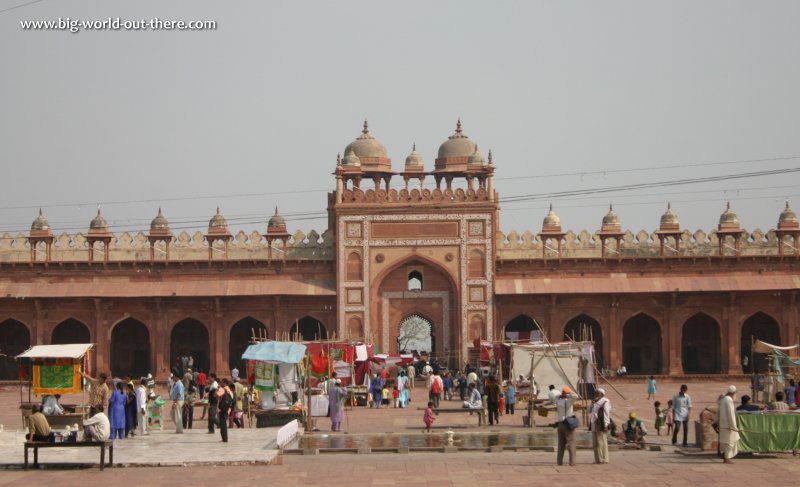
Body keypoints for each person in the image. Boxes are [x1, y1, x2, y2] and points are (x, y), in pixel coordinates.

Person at [556, 387, 579, 466]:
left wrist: (563, 394)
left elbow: (556, 397)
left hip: (560, 424)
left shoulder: (558, 401)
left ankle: (559, 461)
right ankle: (572, 462)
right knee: (571, 444)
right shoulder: (568, 401)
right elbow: (575, 396)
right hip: (568, 424)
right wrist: (569, 393)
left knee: (561, 444)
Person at [718, 385, 740, 464]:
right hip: (728, 426)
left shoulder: (723, 399)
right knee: (730, 442)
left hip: (723, 425)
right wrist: (734, 427)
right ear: (733, 393)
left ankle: (725, 455)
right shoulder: (728, 400)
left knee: (726, 442)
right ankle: (726, 458)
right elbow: (730, 414)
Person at [590, 388, 611, 464]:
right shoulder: (596, 402)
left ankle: (604, 458)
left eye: (597, 393)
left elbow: (606, 414)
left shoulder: (605, 402)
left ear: (601, 394)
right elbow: (589, 411)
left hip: (601, 424)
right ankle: (597, 459)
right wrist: (592, 404)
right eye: (595, 393)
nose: (596, 394)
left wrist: (606, 424)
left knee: (601, 441)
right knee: (595, 443)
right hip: (594, 423)